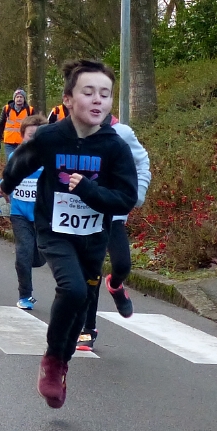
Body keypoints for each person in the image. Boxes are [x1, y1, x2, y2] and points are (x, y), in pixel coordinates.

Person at [0, 59, 138, 409]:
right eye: (88, 92)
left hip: (93, 235)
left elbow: (126, 197)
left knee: (83, 298)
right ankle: (52, 360)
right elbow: (21, 162)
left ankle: (63, 361)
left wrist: (89, 190)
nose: (98, 100)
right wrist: (6, 185)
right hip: (53, 228)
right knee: (71, 289)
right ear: (69, 100)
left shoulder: (114, 146)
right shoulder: (50, 137)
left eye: (105, 94)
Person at [76, 117, 152, 350]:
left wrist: (137, 193)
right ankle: (88, 328)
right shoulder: (70, 130)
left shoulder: (122, 132)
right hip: (84, 213)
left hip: (113, 212)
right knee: (91, 271)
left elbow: (142, 162)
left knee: (122, 265)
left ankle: (116, 284)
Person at [8, 114, 49, 310]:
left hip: (43, 216)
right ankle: (25, 295)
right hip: (20, 214)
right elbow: (8, 179)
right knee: (23, 253)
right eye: (30, 136)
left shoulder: (51, 159)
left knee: (38, 258)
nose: (34, 140)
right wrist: (2, 191)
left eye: (39, 136)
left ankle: (31, 260)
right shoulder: (15, 157)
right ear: (22, 136)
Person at [0, 89, 32, 155]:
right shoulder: (7, 108)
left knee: (21, 160)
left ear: (24, 99)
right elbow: (1, 124)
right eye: (17, 97)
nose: (19, 99)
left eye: (21, 97)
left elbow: (33, 126)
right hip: (9, 142)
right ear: (14, 99)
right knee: (11, 159)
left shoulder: (29, 110)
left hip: (23, 142)